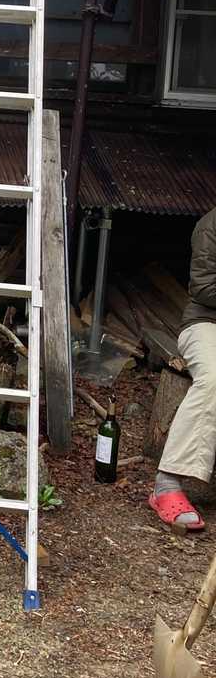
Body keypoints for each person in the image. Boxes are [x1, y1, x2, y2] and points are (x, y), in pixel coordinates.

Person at [150, 206, 216, 530]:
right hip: (205, 323)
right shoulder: (211, 225)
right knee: (214, 378)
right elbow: (204, 288)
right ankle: (167, 484)